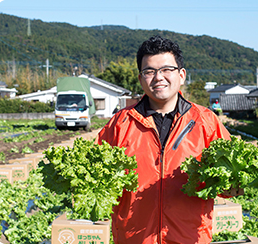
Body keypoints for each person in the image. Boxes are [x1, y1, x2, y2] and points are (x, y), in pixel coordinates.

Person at [95, 35, 241, 244]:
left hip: (190, 238)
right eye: (149, 71)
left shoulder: (206, 121)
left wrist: (232, 186)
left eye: (166, 69)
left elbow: (228, 175)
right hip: (133, 238)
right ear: (140, 78)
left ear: (181, 75)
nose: (158, 77)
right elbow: (96, 174)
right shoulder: (120, 123)